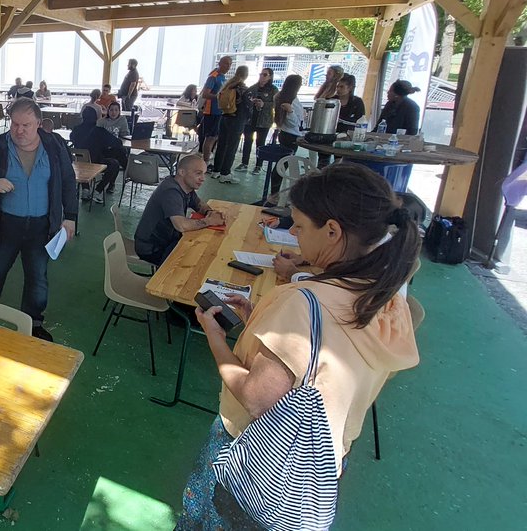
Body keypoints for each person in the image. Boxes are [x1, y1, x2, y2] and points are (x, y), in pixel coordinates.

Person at [178, 163, 420, 528]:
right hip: (320, 463)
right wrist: (261, 323)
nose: (293, 232)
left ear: (332, 231)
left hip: (259, 459)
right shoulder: (385, 299)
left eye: (301, 226)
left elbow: (257, 398)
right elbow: (318, 361)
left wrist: (215, 337)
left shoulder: (302, 303)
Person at [0, 98, 78, 340]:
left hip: (41, 225)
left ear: (38, 123)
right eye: (15, 124)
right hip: (6, 223)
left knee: (37, 276)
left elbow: (68, 180)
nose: (19, 130)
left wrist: (70, 216)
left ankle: (34, 322)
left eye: (26, 125)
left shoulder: (54, 146)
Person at [133, 154, 223, 266]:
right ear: (182, 172)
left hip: (167, 241)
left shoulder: (185, 186)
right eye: (198, 173)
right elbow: (181, 226)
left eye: (204, 173)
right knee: (197, 260)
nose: (203, 178)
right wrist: (209, 221)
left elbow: (199, 204)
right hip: (152, 248)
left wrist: (210, 212)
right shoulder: (171, 192)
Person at [71, 106, 125, 205]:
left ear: (83, 117)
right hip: (96, 163)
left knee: (84, 162)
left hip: (79, 164)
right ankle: (98, 190)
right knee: (114, 164)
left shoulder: (75, 130)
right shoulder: (99, 131)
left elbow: (72, 139)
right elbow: (118, 143)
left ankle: (85, 190)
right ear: (96, 118)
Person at [317, 73, 368, 168]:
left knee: (341, 162)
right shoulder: (332, 100)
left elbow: (360, 120)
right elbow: (320, 104)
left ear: (350, 88)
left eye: (342, 87)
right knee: (323, 161)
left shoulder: (357, 102)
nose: (338, 89)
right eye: (337, 87)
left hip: (346, 138)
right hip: (329, 135)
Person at [268, 74, 306, 198]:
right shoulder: (290, 101)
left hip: (285, 133)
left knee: (282, 165)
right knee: (282, 166)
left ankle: (274, 192)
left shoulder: (281, 97)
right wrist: (291, 112)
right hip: (291, 135)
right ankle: (274, 194)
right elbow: (293, 122)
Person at [212, 65, 250, 183]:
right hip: (237, 119)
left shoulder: (227, 85)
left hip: (224, 116)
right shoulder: (242, 88)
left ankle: (216, 170)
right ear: (246, 75)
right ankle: (225, 173)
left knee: (221, 144)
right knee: (232, 147)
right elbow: (247, 105)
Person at [237, 67, 277, 175]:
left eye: (265, 74)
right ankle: (244, 163)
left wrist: (264, 104)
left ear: (270, 77)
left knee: (260, 143)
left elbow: (276, 103)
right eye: (261, 74)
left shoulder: (273, 90)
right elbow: (245, 98)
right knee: (247, 141)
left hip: (264, 121)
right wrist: (252, 101)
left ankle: (258, 166)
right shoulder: (253, 88)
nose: (262, 76)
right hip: (250, 119)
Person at [200, 56, 232, 164]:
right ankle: (205, 162)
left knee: (215, 137)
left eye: (230, 64)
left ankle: (209, 158)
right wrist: (220, 97)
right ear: (220, 63)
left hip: (220, 111)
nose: (228, 66)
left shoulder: (223, 77)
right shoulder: (213, 77)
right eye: (226, 63)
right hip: (211, 111)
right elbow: (205, 94)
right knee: (210, 137)